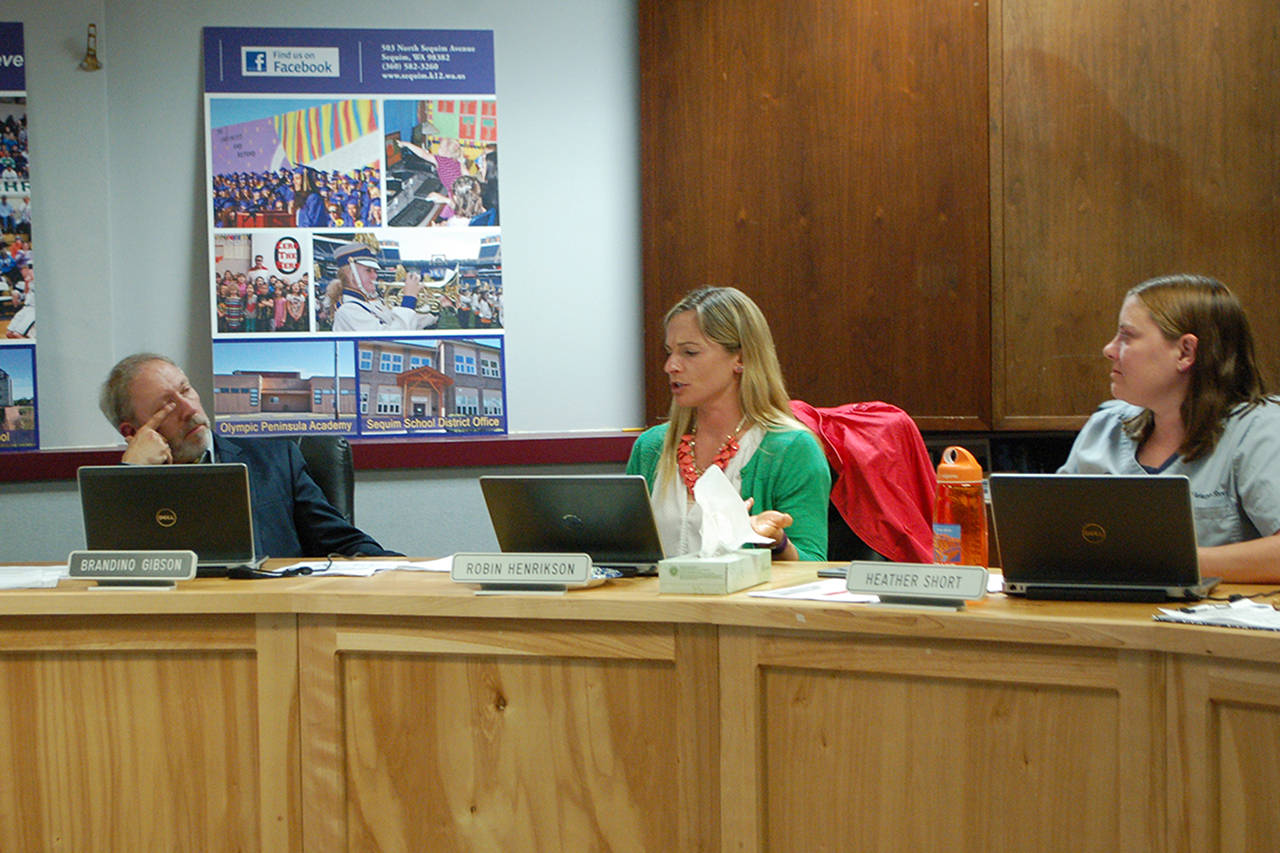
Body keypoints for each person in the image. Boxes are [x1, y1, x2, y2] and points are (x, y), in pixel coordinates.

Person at [1059, 274, 1280, 583]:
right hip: (1098, 621)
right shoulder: (1105, 427)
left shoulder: (1261, 430)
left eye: (1127, 336)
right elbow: (1051, 536)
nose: (1109, 349)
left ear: (1185, 352)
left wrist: (1168, 560)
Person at [98, 353, 398, 559]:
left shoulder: (276, 461)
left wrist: (415, 574)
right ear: (132, 431)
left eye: (186, 391)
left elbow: (346, 544)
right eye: (167, 406)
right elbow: (114, 579)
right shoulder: (128, 489)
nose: (189, 409)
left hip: (271, 625)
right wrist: (131, 476)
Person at [626, 286, 830, 561]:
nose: (671, 366)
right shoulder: (651, 447)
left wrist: (776, 543)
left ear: (741, 358)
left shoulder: (792, 449)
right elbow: (625, 558)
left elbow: (814, 566)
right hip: (654, 604)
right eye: (669, 352)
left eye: (689, 352)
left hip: (745, 605)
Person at [331, 241, 437, 332]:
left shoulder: (374, 303)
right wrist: (409, 298)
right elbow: (395, 336)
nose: (375, 276)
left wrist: (434, 311)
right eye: (368, 270)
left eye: (375, 271)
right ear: (351, 274)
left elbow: (409, 323)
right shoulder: (348, 310)